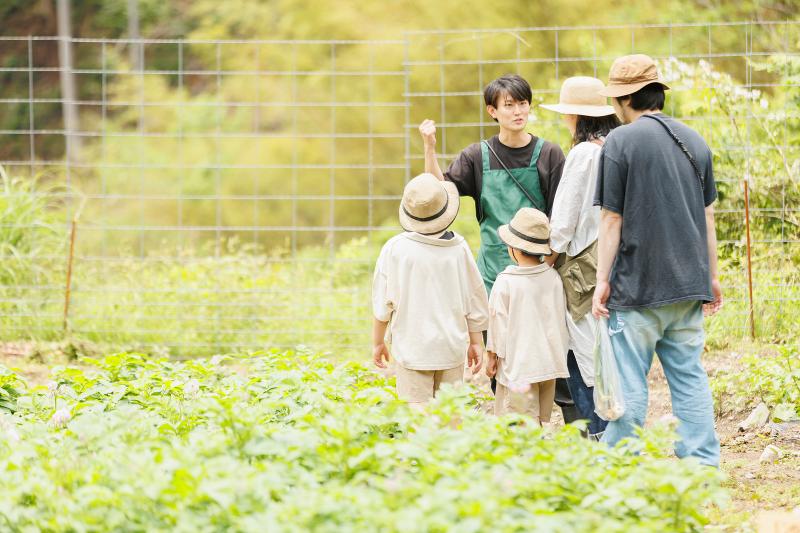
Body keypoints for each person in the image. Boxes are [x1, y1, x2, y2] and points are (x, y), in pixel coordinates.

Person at [591, 54, 724, 467]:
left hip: (638, 286)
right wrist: (712, 276)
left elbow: (612, 219)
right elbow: (707, 218)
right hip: (688, 283)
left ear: (624, 98)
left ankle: (621, 464)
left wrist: (601, 280)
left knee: (630, 381)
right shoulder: (695, 140)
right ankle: (702, 465)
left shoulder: (620, 142)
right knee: (688, 376)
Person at [419, 74, 571, 408]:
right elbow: (439, 194)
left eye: (523, 103)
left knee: (549, 355)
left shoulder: (549, 154)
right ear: (492, 111)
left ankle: (560, 427)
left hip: (540, 274)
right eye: (509, 105)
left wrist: (550, 262)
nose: (518, 111)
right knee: (497, 357)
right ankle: (513, 421)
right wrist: (430, 149)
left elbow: (562, 217)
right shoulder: (477, 156)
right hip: (493, 274)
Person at [540, 76, 621, 440]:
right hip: (613, 261)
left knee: (582, 355)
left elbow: (563, 222)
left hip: (581, 268)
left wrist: (544, 260)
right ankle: (616, 435)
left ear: (575, 116)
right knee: (609, 354)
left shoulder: (583, 154)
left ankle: (599, 436)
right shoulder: (616, 146)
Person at [372, 173, 489, 405]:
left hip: (412, 351)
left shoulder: (395, 249)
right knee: (450, 419)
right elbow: (475, 297)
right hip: (451, 349)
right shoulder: (459, 248)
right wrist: (476, 341)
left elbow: (382, 305)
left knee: (417, 421)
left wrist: (378, 342)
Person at [484, 207, 570, 424]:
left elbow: (497, 327)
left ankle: (526, 458)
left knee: (520, 424)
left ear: (514, 248)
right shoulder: (553, 278)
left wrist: (492, 358)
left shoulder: (506, 282)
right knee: (538, 420)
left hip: (519, 368)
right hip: (548, 365)